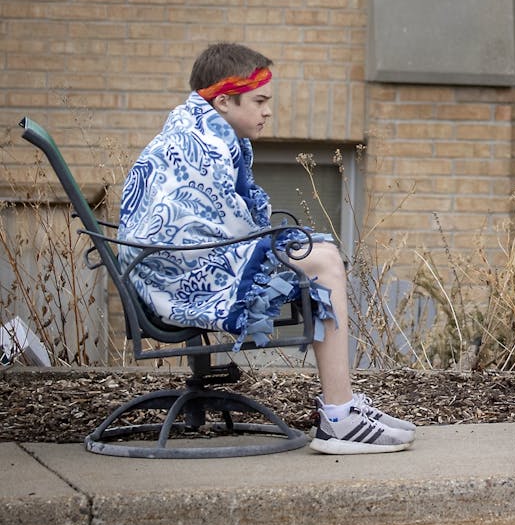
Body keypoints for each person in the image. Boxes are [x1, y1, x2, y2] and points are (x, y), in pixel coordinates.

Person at [119, 42, 416, 454]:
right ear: (224, 100)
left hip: (168, 272)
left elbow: (208, 220)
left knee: (316, 253)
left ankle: (342, 409)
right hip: (179, 281)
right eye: (259, 100)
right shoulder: (200, 145)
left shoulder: (196, 131)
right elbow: (197, 228)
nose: (267, 111)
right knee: (324, 262)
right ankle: (339, 416)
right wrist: (271, 248)